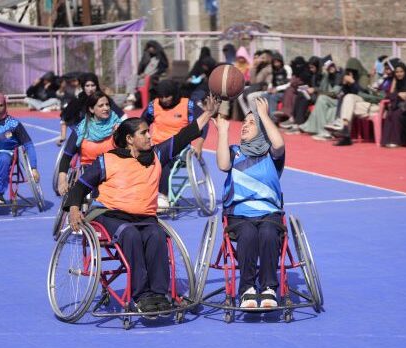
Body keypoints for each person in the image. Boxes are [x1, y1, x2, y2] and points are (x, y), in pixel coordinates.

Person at [64, 95, 219, 313]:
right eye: (144, 133)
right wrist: (73, 208)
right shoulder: (108, 160)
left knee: (156, 236)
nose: (150, 135)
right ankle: (141, 295)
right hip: (109, 215)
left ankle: (159, 293)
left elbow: (185, 136)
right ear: (129, 139)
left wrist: (208, 114)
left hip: (144, 218)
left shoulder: (156, 155)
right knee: (130, 235)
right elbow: (80, 186)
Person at [215, 97, 285, 309]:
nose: (245, 125)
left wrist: (262, 115)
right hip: (239, 214)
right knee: (247, 234)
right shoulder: (235, 151)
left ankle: (269, 288)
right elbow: (222, 165)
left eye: (251, 123)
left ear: (263, 129)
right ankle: (247, 288)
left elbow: (279, 143)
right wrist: (223, 131)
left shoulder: (271, 155)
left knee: (267, 233)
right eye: (244, 122)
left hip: (269, 213)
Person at [141, 80, 207, 209]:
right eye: (161, 96)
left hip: (179, 148)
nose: (164, 99)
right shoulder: (153, 106)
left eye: (167, 96)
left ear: (174, 94)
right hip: (156, 146)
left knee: (161, 160)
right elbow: (141, 123)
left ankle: (163, 195)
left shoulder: (188, 105)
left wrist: (199, 144)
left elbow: (203, 124)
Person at [57, 91, 121, 196]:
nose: (106, 108)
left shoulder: (118, 126)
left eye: (107, 104)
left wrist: (119, 137)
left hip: (113, 173)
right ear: (91, 109)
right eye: (101, 105)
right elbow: (67, 156)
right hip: (89, 173)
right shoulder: (81, 129)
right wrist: (62, 180)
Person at [58, 73, 125, 146]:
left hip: (105, 139)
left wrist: (119, 132)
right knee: (68, 155)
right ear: (83, 86)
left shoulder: (105, 100)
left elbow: (123, 117)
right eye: (87, 86)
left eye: (93, 85)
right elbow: (64, 118)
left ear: (97, 86)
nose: (90, 89)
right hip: (83, 139)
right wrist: (63, 136)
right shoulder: (77, 101)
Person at [293, 59, 344, 140]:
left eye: (332, 66)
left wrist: (319, 92)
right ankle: (311, 126)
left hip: (339, 101)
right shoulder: (328, 76)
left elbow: (334, 93)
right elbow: (322, 88)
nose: (331, 68)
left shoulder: (339, 76)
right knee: (306, 96)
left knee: (321, 99)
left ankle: (321, 130)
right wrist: (325, 75)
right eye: (328, 67)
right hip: (331, 100)